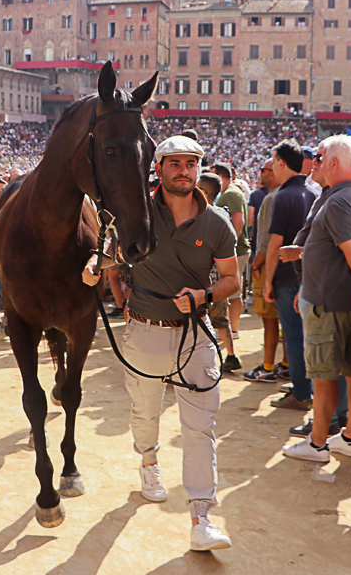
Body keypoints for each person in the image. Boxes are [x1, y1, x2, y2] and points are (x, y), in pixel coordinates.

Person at [81, 134, 237, 552]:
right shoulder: (138, 213)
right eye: (175, 164)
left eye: (191, 164)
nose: (184, 171)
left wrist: (204, 295)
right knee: (144, 412)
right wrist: (95, 264)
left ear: (199, 168)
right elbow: (112, 254)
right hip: (145, 330)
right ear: (160, 168)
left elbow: (232, 280)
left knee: (200, 428)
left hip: (195, 334)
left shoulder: (218, 222)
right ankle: (148, 461)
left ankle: (201, 517)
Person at [280, 135, 351, 464]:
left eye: (319, 157)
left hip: (330, 304)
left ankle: (317, 443)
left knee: (323, 377)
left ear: (333, 163)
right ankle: (349, 438)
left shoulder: (337, 202)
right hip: (348, 302)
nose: (314, 163)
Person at [263, 139, 320, 412]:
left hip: (287, 276)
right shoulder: (315, 191)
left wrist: (267, 281)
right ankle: (306, 386)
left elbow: (275, 243)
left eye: (274, 161)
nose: (272, 167)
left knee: (295, 336)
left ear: (281, 163)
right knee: (306, 335)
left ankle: (301, 392)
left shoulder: (282, 196)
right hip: (310, 274)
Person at [244, 159, 289, 385]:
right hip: (288, 266)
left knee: (270, 320)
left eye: (263, 170)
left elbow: (266, 240)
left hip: (269, 264)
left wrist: (255, 265)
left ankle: (268, 367)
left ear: (273, 173)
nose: (260, 173)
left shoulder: (272, 198)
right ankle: (287, 365)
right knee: (287, 321)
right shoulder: (294, 194)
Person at [196, 172, 238, 370]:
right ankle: (231, 355)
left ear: (203, 192)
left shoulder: (201, 215)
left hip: (205, 278)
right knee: (221, 319)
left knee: (199, 319)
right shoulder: (222, 213)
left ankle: (203, 361)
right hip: (221, 279)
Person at [212, 162, 250, 344]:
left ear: (220, 177)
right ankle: (231, 329)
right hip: (235, 249)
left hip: (236, 250)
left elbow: (238, 222)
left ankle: (232, 330)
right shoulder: (230, 192)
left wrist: (228, 247)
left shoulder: (231, 193)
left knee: (232, 291)